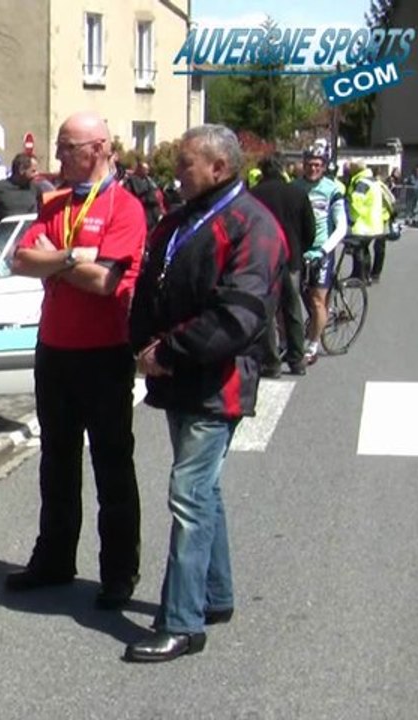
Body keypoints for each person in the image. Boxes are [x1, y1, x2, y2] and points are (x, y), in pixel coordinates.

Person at [125, 124, 285, 662]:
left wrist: (168, 351)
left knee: (188, 496)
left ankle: (183, 621)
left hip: (217, 379)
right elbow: (153, 281)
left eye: (187, 162)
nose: (178, 170)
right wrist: (142, 343)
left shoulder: (253, 225)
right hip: (179, 374)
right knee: (203, 492)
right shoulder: (179, 218)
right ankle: (214, 595)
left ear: (219, 168)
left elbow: (237, 315)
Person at [6, 111, 145, 609]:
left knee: (112, 464)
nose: (57, 155)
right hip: (55, 351)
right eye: (60, 146)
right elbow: (20, 261)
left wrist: (57, 259)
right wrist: (72, 259)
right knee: (56, 461)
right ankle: (55, 558)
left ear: (100, 148)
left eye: (68, 147)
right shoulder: (56, 202)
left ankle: (118, 572)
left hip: (104, 353)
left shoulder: (126, 207)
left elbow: (106, 281)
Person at [249, 156, 314, 376]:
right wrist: (299, 250)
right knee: (292, 308)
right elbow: (310, 230)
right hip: (292, 257)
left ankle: (271, 362)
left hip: (264, 258)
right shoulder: (297, 193)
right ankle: (297, 360)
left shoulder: (254, 195)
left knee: (267, 310)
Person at [295, 146, 348, 366]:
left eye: (317, 165)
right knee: (292, 297)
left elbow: (341, 226)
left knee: (317, 300)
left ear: (324, 167)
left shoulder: (332, 189)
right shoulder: (295, 187)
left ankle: (313, 345)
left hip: (321, 251)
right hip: (299, 250)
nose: (313, 168)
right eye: (309, 164)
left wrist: (324, 250)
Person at [346, 162, 396, 284]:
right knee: (365, 249)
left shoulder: (362, 182)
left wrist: (350, 216)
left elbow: (356, 202)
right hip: (374, 222)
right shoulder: (373, 181)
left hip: (362, 223)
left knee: (359, 250)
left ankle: (360, 276)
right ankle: (367, 276)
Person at [0, 153, 55, 221]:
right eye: (33, 171)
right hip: (8, 234)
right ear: (21, 170)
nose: (37, 174)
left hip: (30, 234)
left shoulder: (36, 188)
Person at [124, 160, 165, 231]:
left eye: (148, 170)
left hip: (151, 217)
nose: (147, 172)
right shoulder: (131, 181)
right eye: (145, 169)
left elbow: (154, 195)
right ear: (140, 169)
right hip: (139, 215)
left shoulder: (148, 181)